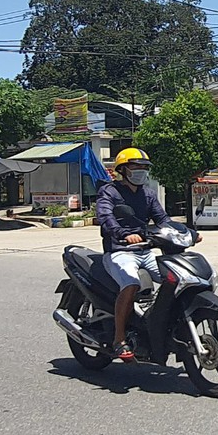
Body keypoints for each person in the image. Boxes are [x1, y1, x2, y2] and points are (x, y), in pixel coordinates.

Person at [94, 147, 167, 363]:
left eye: (145, 168)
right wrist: (124, 234)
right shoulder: (109, 192)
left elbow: (163, 219)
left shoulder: (148, 194)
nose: (142, 171)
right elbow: (106, 218)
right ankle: (119, 339)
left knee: (174, 278)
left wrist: (186, 233)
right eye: (136, 167)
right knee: (131, 283)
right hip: (119, 251)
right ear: (123, 170)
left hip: (145, 250)